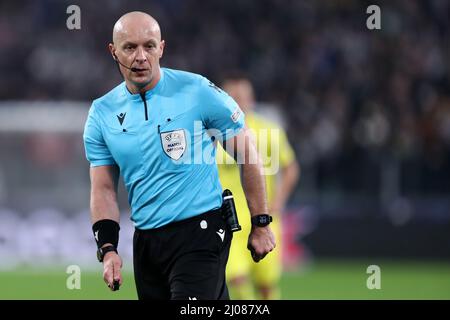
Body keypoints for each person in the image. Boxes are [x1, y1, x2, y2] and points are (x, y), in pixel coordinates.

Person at [82, 11, 275, 300]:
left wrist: (260, 223)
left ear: (161, 48)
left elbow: (247, 155)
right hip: (146, 242)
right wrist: (108, 249)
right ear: (113, 51)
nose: (141, 56)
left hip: (201, 231)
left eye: (149, 46)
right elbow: (104, 188)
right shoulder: (102, 113)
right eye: (130, 47)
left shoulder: (196, 91)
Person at [217, 74, 300, 300]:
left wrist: (279, 201)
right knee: (237, 280)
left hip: (265, 218)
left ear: (251, 99)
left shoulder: (269, 131)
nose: (239, 101)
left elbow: (291, 167)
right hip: (230, 222)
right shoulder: (213, 135)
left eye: (243, 96)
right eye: (233, 97)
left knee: (266, 285)